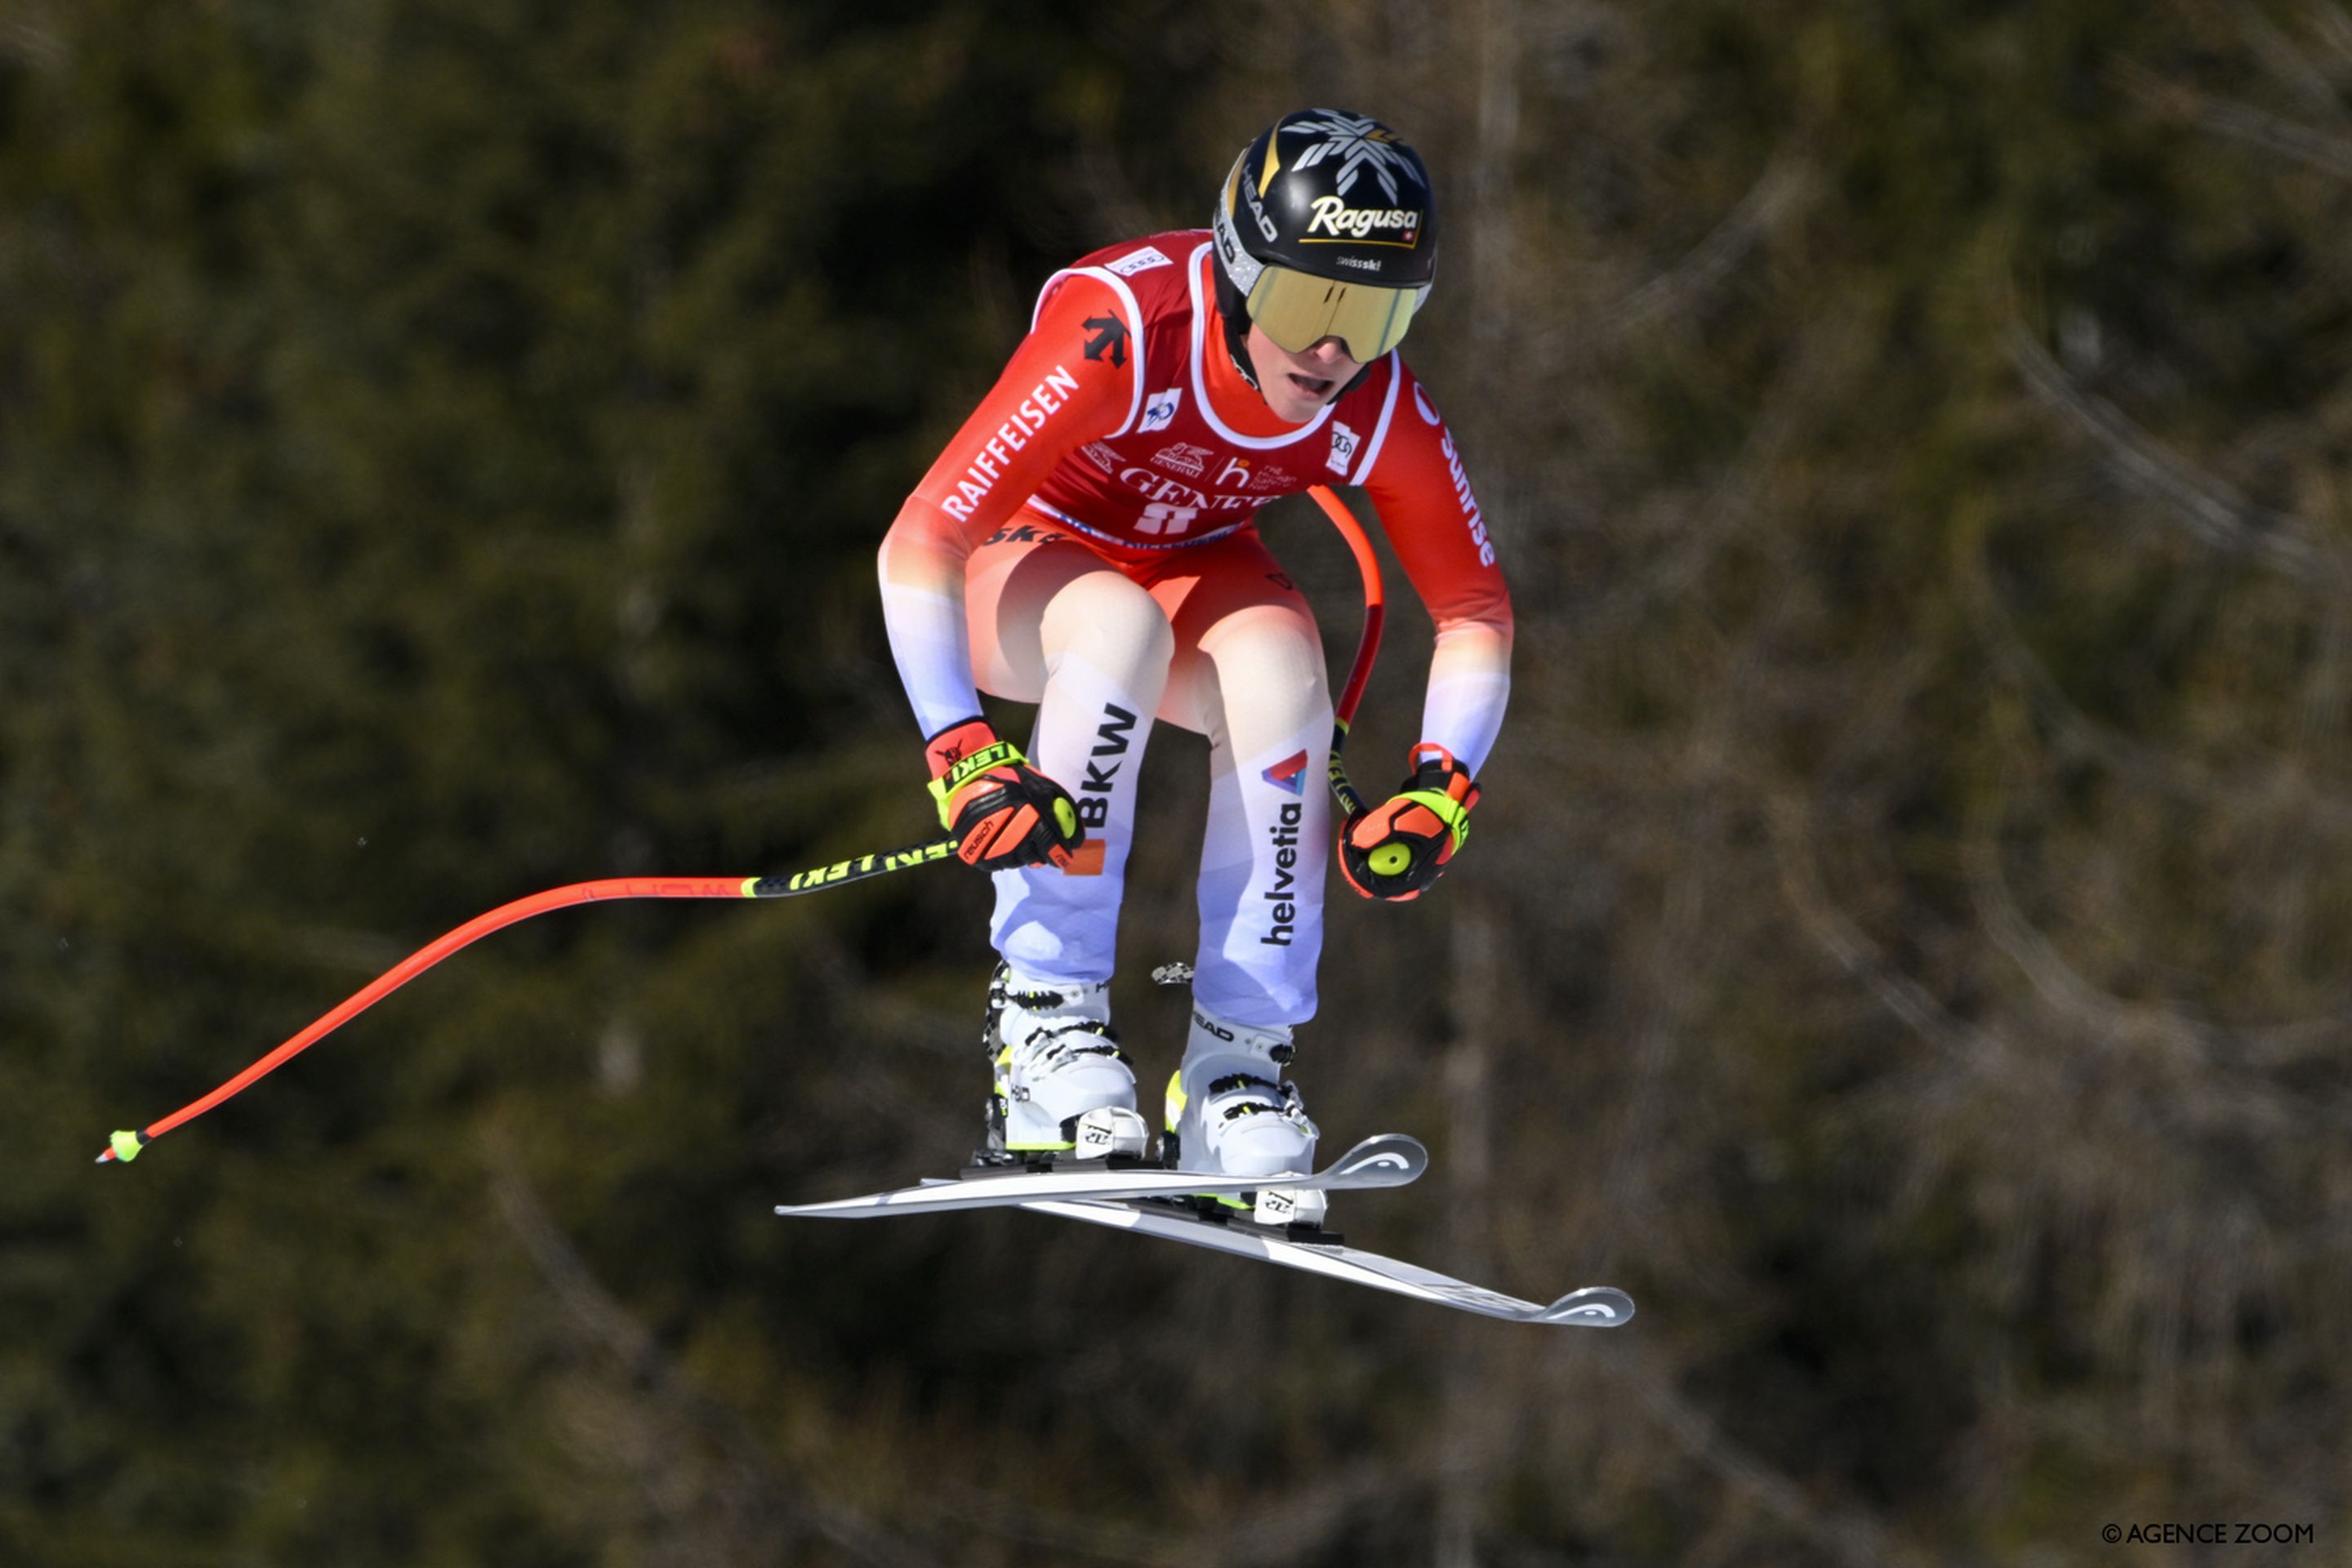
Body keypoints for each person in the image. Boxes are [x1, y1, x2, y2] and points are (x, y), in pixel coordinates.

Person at [875, 108, 1511, 1221]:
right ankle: (1044, 1024)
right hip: (1027, 571)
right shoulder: (1122, 331)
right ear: (1234, 268)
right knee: (1116, 628)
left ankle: (1238, 1069)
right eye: (1310, 303)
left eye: (1375, 312)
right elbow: (922, 538)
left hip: (1192, 566)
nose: (1333, 352)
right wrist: (960, 748)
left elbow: (1474, 609)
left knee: (1282, 666)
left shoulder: (1377, 406)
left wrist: (1440, 789)